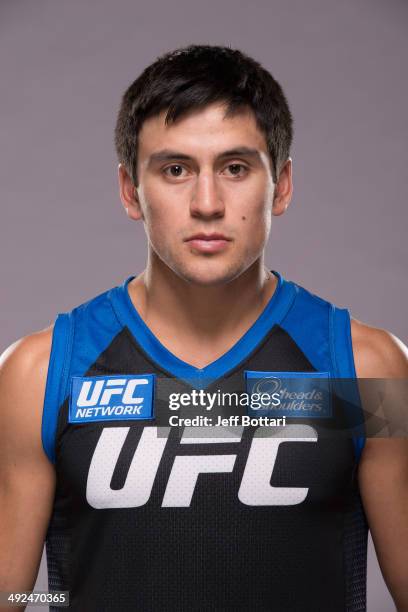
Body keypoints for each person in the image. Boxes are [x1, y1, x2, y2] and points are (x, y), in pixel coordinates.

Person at [0, 44, 407, 612]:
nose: (208, 203)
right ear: (129, 191)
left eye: (235, 168)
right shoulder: (42, 375)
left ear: (281, 185)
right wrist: (63, 596)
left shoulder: (364, 369)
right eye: (175, 170)